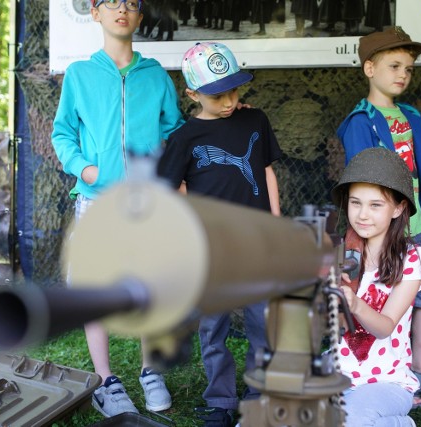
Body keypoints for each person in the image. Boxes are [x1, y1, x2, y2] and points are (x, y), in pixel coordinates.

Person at [51, 0, 184, 418]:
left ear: (140, 17)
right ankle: (105, 380)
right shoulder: (80, 74)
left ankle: (150, 371)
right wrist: (84, 168)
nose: (122, 10)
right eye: (112, 3)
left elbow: (175, 130)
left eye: (131, 4)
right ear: (96, 13)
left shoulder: (155, 76)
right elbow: (62, 133)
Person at [337, 26, 421, 409]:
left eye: (408, 69)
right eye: (394, 66)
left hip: (415, 222)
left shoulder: (411, 116)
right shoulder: (360, 121)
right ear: (369, 68)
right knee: (377, 295)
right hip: (381, 226)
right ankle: (388, 375)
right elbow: (364, 181)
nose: (403, 75)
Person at [157, 41, 282, 427]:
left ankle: (259, 393)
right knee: (214, 327)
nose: (229, 100)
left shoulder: (254, 120)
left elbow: (266, 171)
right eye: (217, 94)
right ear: (193, 94)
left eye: (234, 89)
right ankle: (222, 401)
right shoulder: (183, 138)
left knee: (263, 322)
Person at [332, 147, 421, 426]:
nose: (363, 215)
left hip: (386, 383)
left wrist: (354, 303)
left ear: (398, 208)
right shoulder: (340, 255)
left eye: (375, 205)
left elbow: (384, 326)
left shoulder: (412, 259)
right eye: (355, 203)